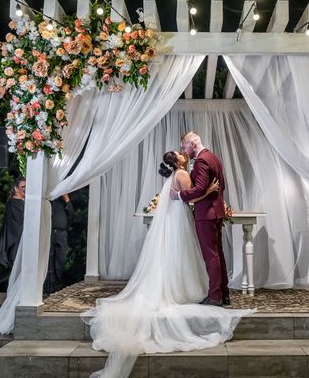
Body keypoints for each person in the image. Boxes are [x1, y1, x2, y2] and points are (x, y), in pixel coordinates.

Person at [81, 150, 252, 378]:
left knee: (180, 254)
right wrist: (208, 191)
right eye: (180, 154)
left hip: (177, 216)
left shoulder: (176, 174)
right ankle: (185, 289)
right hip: (181, 217)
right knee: (186, 253)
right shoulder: (182, 173)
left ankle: (189, 287)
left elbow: (179, 196)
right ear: (178, 161)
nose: (184, 155)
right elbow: (189, 196)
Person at [170, 131, 229, 306]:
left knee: (211, 256)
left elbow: (200, 189)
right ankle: (223, 294)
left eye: (184, 147)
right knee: (218, 255)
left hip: (206, 215)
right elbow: (222, 185)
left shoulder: (202, 160)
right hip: (216, 212)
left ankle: (215, 296)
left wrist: (179, 195)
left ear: (193, 144)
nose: (184, 151)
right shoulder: (213, 157)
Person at [44, 194, 75, 294]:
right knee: (49, 260)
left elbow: (72, 213)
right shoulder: (48, 199)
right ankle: (50, 286)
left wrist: (66, 198)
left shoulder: (63, 200)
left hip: (61, 233)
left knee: (61, 259)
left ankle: (60, 283)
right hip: (49, 232)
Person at [0, 176, 25, 268]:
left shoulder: (24, 201)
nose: (25, 189)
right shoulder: (13, 203)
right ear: (16, 188)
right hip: (15, 246)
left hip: (23, 245)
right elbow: (14, 227)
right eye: (23, 187)